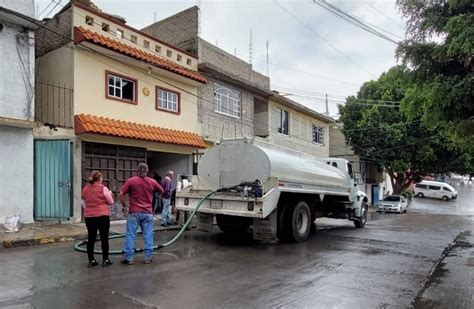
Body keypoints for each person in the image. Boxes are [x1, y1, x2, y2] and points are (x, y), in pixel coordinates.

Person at [119, 163, 164, 265]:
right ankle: (148, 257)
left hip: (134, 212)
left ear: (137, 171)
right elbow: (162, 190)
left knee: (130, 235)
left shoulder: (131, 181)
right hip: (147, 213)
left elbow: (121, 194)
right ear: (147, 171)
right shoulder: (152, 182)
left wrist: (124, 206)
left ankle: (129, 258)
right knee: (148, 235)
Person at [82, 170, 114, 267]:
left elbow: (84, 201)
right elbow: (111, 202)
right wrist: (110, 194)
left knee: (91, 238)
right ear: (100, 178)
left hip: (89, 216)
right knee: (104, 238)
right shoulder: (103, 188)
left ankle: (91, 260)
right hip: (102, 216)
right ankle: (106, 259)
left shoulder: (85, 189)